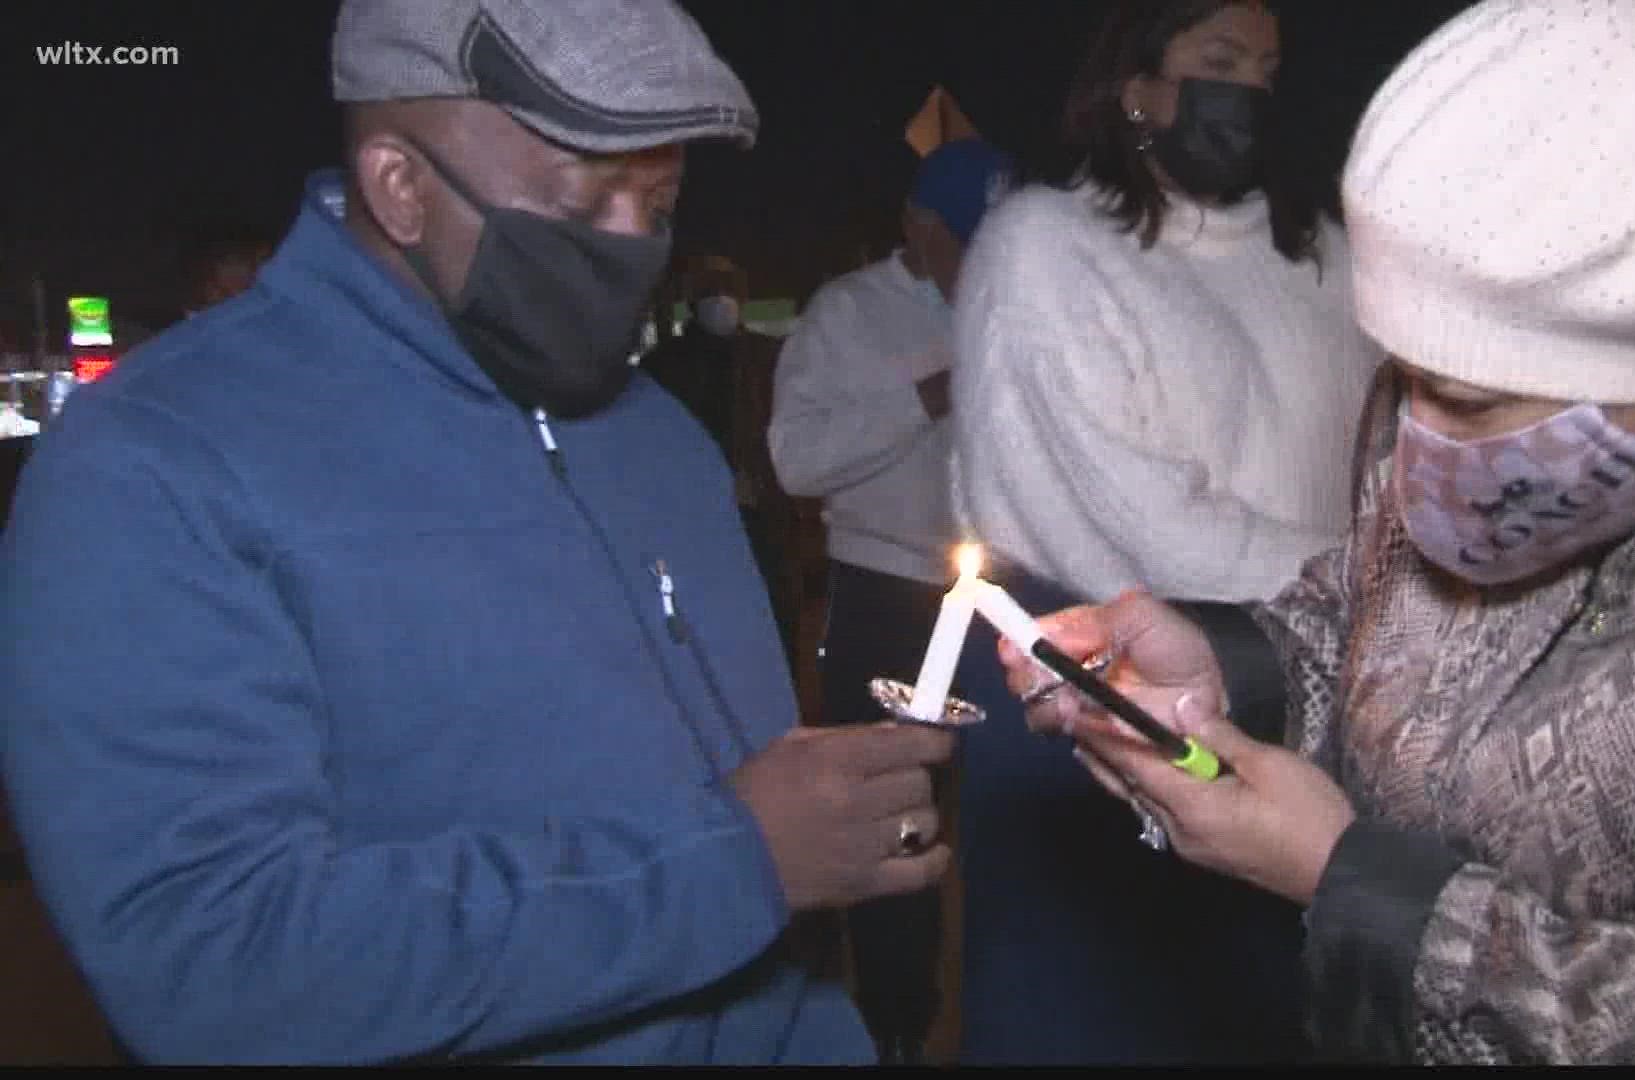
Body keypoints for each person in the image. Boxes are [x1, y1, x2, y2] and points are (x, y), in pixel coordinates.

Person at [0, 0, 955, 1065]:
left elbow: (783, 943)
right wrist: (734, 864)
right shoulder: (161, 461)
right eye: (587, 203)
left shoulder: (660, 443)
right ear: (400, 186)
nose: (636, 248)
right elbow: (211, 961)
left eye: (662, 202)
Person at [1002, 0, 1635, 1064]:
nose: (1412, 439)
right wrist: (1230, 662)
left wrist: (1357, 889)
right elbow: (1373, 603)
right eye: (1405, 379)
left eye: (1467, 399)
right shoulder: (1461, 416)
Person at [945, 0, 1380, 1063]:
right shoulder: (1043, 245)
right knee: (1097, 1020)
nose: (1251, 93)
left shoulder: (1321, 251)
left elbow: (1387, 461)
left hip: (1312, 687)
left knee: (1266, 1014)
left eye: (1268, 72)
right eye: (1218, 61)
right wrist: (1375, 593)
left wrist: (1366, 613)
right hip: (1096, 690)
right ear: (1137, 84)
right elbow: (1126, 516)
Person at [766, 136, 1012, 1065]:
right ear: (917, 225)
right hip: (884, 600)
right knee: (894, 826)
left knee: (1010, 824)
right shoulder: (844, 316)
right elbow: (796, 460)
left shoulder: (1011, 307)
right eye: (964, 241)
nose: (980, 264)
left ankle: (998, 1019)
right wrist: (930, 395)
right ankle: (896, 1027)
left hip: (995, 602)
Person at [642, 255, 800, 659]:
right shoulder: (664, 366)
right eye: (711, 289)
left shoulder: (765, 357)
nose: (722, 298)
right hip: (693, 522)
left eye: (729, 287)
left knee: (773, 625)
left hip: (762, 516)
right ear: (692, 298)